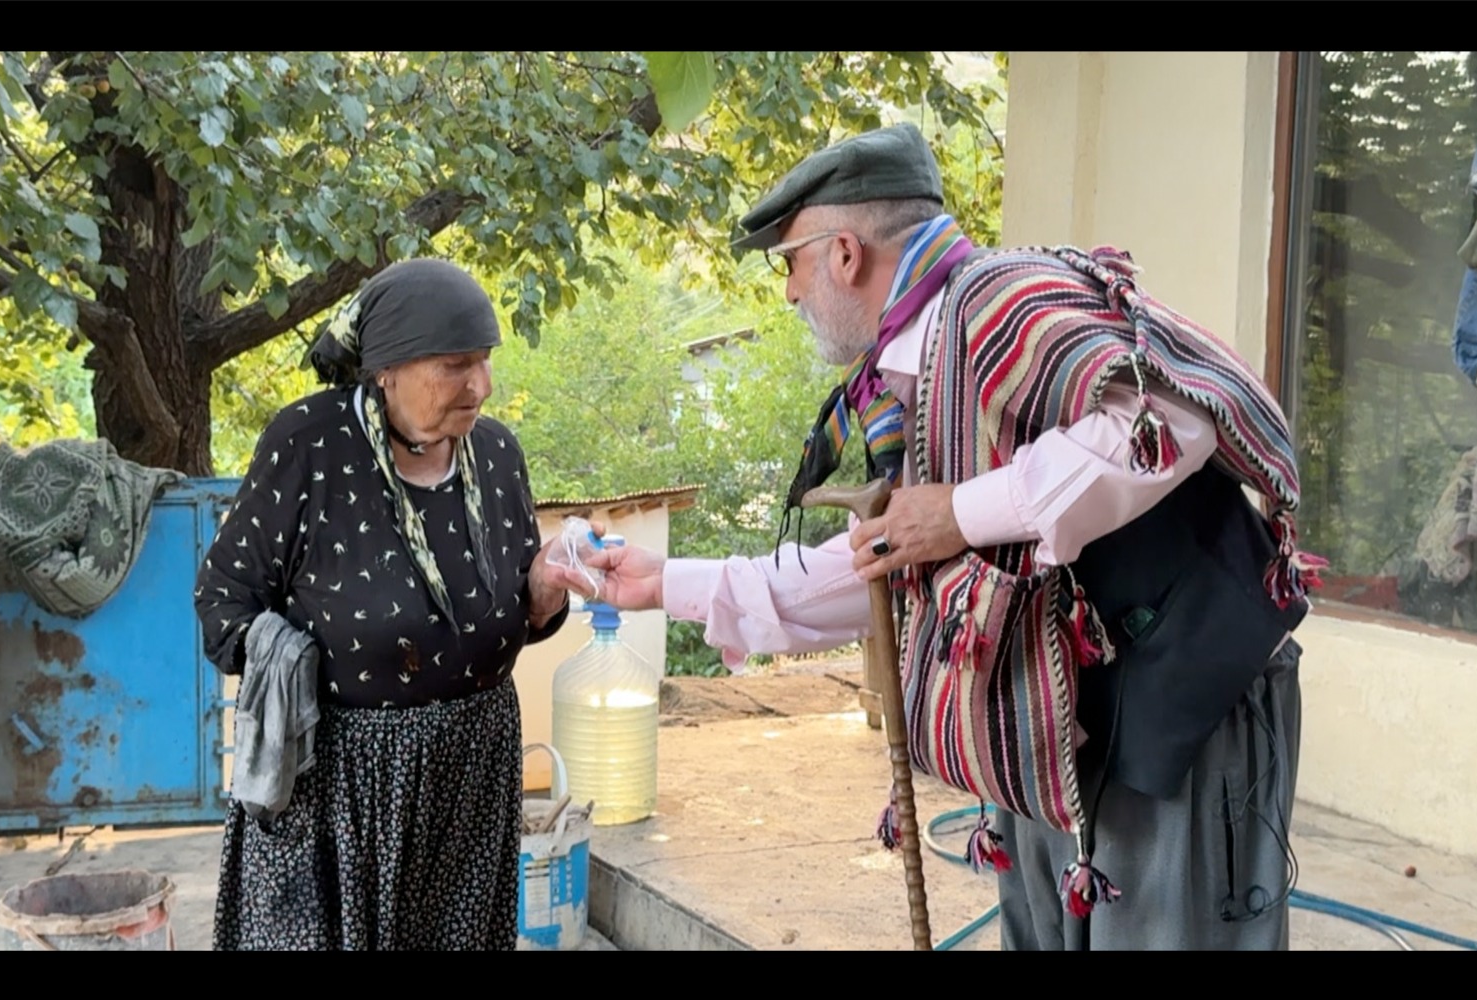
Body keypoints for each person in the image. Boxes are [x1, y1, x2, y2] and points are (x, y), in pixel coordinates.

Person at [555, 123, 1322, 950]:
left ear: (844, 253)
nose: (788, 294)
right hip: (1051, 733)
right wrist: (660, 582)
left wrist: (959, 512)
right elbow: (885, 566)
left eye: (790, 266)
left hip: (1181, 720)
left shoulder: (999, 297)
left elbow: (1168, 418)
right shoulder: (913, 378)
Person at [194, 258, 573, 950]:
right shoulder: (309, 444)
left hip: (470, 778)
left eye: (485, 361)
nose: (481, 385)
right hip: (341, 790)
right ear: (387, 370)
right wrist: (286, 661)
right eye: (457, 365)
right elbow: (222, 603)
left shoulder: (493, 454)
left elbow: (512, 610)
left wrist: (544, 592)